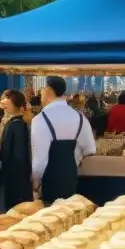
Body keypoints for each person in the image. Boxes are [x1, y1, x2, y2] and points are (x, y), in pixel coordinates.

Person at [31, 75, 96, 203]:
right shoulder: (79, 117)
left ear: (49, 90)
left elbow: (40, 161)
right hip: (71, 178)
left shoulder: (40, 119)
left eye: (42, 90)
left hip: (49, 182)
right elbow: (90, 149)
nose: (40, 94)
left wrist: (35, 183)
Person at [0, 90, 33, 210]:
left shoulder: (17, 125)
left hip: (16, 179)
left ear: (16, 105)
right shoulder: (12, 123)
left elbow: (19, 155)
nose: (3, 101)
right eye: (4, 98)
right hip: (13, 175)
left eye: (7, 99)